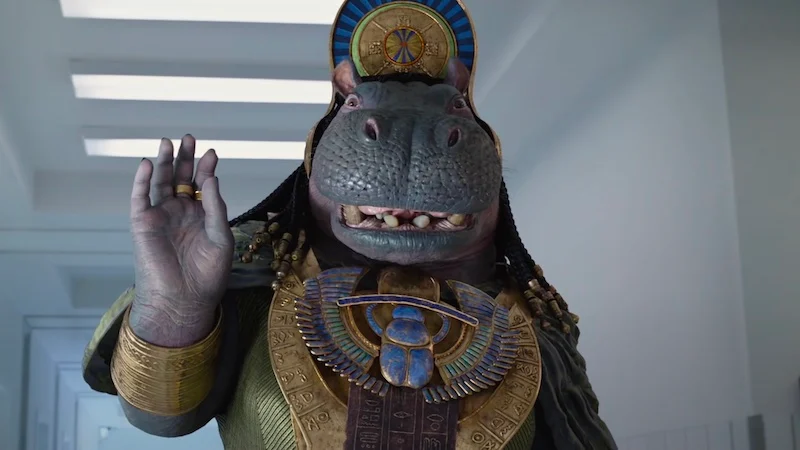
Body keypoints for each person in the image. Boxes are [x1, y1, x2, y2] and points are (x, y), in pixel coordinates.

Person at [82, 1, 617, 448]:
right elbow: (162, 415)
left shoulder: (532, 325)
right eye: (354, 103)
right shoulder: (260, 279)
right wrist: (175, 306)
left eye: (454, 107)